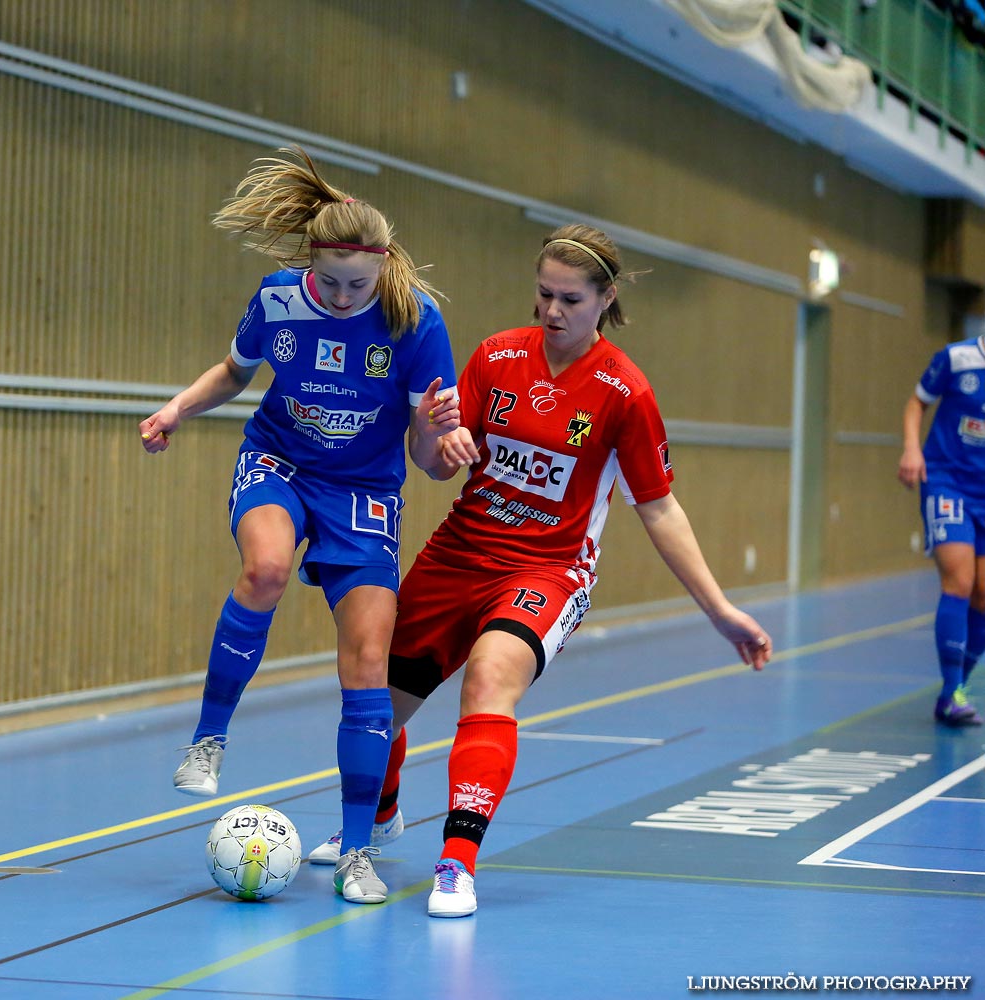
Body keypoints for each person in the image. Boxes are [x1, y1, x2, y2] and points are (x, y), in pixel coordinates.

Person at [306, 223, 772, 918]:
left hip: (547, 569)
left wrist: (719, 609)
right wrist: (438, 434)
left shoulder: (625, 392)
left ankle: (456, 866)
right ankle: (380, 813)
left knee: (491, 680)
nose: (552, 311)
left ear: (605, 298)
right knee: (376, 700)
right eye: (544, 294)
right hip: (459, 553)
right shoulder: (496, 356)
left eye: (570, 299)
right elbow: (432, 461)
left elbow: (660, 508)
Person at [139, 147, 471, 905]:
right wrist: (175, 410)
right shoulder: (281, 298)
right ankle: (209, 739)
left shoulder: (414, 318)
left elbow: (428, 460)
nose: (347, 295)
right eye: (333, 282)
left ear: (384, 267)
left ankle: (357, 853)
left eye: (362, 283)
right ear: (310, 266)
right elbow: (236, 370)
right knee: (264, 570)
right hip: (281, 463)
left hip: (364, 492)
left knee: (367, 668)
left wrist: (442, 436)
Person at [898, 331, 985, 726]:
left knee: (983, 596)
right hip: (947, 480)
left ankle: (956, 688)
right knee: (960, 582)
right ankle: (951, 692)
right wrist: (912, 448)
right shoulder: (957, 358)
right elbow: (918, 401)